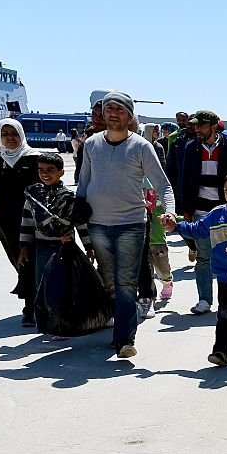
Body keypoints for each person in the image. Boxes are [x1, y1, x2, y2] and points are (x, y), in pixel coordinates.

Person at [77, 91, 176, 358]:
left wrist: (170, 213)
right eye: (109, 109)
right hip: (98, 224)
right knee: (109, 281)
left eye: (119, 109)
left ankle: (124, 340)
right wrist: (77, 211)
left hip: (131, 224)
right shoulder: (91, 144)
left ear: (130, 115)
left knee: (125, 283)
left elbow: (163, 184)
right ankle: (116, 326)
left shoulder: (142, 146)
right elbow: (84, 182)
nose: (113, 114)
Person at [164, 172, 227, 366]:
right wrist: (176, 227)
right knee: (225, 315)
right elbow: (197, 229)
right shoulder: (217, 214)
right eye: (226, 190)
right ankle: (221, 352)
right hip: (225, 276)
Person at [175, 110, 227, 315]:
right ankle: (204, 300)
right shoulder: (191, 147)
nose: (196, 129)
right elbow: (184, 178)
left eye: (200, 125)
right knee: (203, 258)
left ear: (213, 126)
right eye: (195, 126)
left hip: (226, 214)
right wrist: (185, 209)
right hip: (201, 212)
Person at [0, 118, 40, 324]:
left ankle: (32, 305)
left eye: (14, 133)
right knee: (20, 261)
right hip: (7, 219)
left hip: (33, 219)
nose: (10, 138)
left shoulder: (34, 158)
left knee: (34, 260)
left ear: (21, 134)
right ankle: (32, 302)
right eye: (5, 134)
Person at [17, 152, 93, 294]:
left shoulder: (70, 198)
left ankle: (62, 316)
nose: (45, 174)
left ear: (61, 172)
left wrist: (88, 247)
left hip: (65, 247)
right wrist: (24, 247)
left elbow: (81, 224)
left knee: (64, 285)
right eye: (41, 170)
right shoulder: (33, 197)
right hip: (42, 248)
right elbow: (26, 223)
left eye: (50, 170)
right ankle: (44, 315)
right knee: (42, 285)